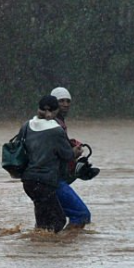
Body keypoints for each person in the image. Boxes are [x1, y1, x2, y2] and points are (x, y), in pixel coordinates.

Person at [20, 95, 80, 233]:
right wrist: (75, 151)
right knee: (59, 220)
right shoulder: (56, 130)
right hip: (45, 182)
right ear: (56, 111)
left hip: (28, 181)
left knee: (42, 221)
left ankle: (37, 247)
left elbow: (22, 147)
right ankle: (50, 249)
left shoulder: (26, 125)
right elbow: (67, 155)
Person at [50, 86, 92, 229]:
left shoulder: (42, 123)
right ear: (53, 103)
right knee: (81, 215)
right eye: (61, 101)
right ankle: (67, 245)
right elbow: (58, 152)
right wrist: (73, 152)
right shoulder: (54, 124)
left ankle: (53, 248)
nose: (65, 104)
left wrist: (70, 144)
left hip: (37, 180)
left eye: (68, 101)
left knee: (50, 223)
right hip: (52, 179)